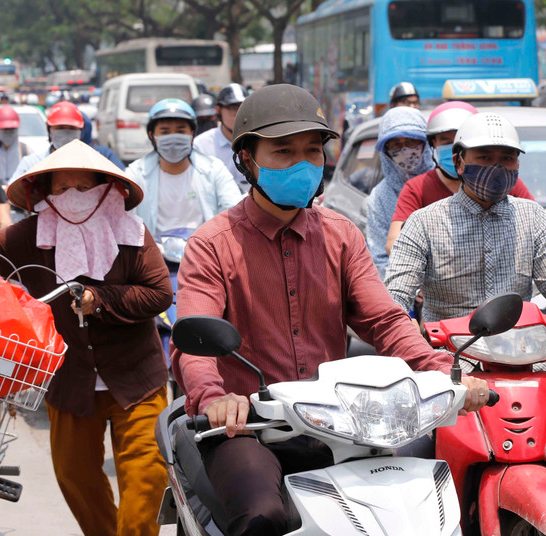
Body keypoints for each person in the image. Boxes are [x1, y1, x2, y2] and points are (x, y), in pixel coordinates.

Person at [171, 84, 491, 536]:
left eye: (312, 150)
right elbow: (194, 343)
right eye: (283, 151)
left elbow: (385, 321)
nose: (302, 163)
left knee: (412, 506)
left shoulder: (342, 236)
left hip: (338, 421)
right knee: (262, 515)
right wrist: (216, 398)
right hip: (248, 428)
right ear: (247, 160)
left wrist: (444, 372)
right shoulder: (212, 245)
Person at [0, 140, 173, 536]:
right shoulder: (32, 234)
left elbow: (160, 293)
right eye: (60, 188)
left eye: (84, 188)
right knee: (75, 478)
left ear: (108, 189)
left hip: (136, 380)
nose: (72, 197)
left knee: (145, 486)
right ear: (46, 195)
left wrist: (99, 299)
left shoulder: (132, 235)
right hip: (70, 382)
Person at [385, 111, 546, 333]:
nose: (497, 167)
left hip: (525, 352)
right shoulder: (423, 223)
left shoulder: (532, 217)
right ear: (459, 162)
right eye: (484, 157)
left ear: (518, 164)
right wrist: (402, 322)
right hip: (450, 358)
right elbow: (397, 293)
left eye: (507, 158)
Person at [384, 102, 535, 256]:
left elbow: (543, 233)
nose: (453, 148)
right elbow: (395, 244)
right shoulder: (417, 188)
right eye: (446, 141)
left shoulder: (504, 182)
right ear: (433, 144)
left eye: (460, 141)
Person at [128, 98, 242, 237]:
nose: (173, 138)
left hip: (202, 253)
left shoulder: (213, 169)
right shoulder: (136, 174)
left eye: (181, 131)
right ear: (152, 136)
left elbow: (233, 208)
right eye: (165, 132)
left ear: (192, 134)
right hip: (154, 255)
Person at [366, 105, 433, 277]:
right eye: (396, 144)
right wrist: (413, 287)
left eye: (411, 141)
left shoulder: (446, 182)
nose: (405, 150)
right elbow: (379, 259)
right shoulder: (380, 197)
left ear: (426, 143)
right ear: (386, 152)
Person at [193, 83, 250, 193]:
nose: (239, 114)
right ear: (218, 110)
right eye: (233, 108)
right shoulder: (200, 146)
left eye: (243, 108)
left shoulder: (261, 142)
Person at [9, 101, 85, 184]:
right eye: (60, 128)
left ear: (80, 131)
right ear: (49, 130)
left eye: (72, 128)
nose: (66, 133)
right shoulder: (31, 164)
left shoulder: (92, 164)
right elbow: (10, 191)